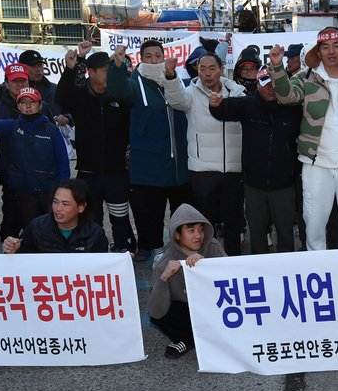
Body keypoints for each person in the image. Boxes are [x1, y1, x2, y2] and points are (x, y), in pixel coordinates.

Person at [268, 27, 338, 250]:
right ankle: (317, 272)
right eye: (325, 46)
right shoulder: (306, 78)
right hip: (316, 165)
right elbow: (286, 97)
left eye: (336, 45)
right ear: (318, 51)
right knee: (313, 225)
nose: (331, 51)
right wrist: (276, 67)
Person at [108, 39, 191, 263]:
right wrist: (116, 65)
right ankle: (151, 246)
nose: (154, 60)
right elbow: (117, 91)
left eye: (157, 55)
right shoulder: (135, 82)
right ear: (141, 59)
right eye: (148, 56)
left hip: (178, 162)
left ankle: (181, 248)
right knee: (149, 211)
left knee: (181, 211)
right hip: (148, 163)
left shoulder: (177, 80)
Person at [210, 63, 302, 253]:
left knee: (285, 232)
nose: (270, 88)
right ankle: (259, 271)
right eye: (265, 83)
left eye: (275, 84)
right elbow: (223, 109)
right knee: (257, 232)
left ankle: (288, 270)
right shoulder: (248, 104)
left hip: (284, 185)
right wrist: (215, 104)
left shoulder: (294, 108)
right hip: (254, 185)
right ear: (258, 85)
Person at [163, 48, 247, 256]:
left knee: (233, 221)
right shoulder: (191, 93)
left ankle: (233, 260)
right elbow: (176, 100)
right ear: (197, 71)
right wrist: (171, 76)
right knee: (205, 223)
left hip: (233, 170)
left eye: (212, 68)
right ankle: (207, 261)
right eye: (202, 69)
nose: (207, 73)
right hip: (203, 169)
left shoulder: (238, 93)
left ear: (221, 69)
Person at [56, 49, 134, 253]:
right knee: (91, 217)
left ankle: (123, 249)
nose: (109, 74)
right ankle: (95, 253)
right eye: (105, 70)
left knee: (120, 215)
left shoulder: (120, 96)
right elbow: (61, 97)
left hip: (117, 171)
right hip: (88, 172)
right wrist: (71, 69)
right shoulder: (80, 97)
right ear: (91, 72)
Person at [0, 87, 70, 239]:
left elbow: (63, 162)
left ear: (40, 105)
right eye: (23, 102)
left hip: (48, 191)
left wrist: (63, 190)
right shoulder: (12, 126)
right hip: (23, 193)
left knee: (52, 232)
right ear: (18, 106)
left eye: (32, 102)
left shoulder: (52, 130)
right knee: (30, 232)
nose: (27, 106)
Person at [147, 203, 226, 358]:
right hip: (187, 310)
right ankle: (190, 339)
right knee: (161, 316)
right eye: (191, 230)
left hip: (213, 304)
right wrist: (164, 279)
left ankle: (193, 339)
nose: (198, 235)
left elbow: (233, 278)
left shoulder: (213, 247)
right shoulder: (165, 262)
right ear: (177, 234)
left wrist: (207, 265)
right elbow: (156, 311)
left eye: (201, 229)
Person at [3, 179, 109, 254]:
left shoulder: (94, 234)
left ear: (81, 207)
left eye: (65, 204)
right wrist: (13, 249)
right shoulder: (37, 227)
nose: (58, 208)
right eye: (55, 202)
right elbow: (22, 260)